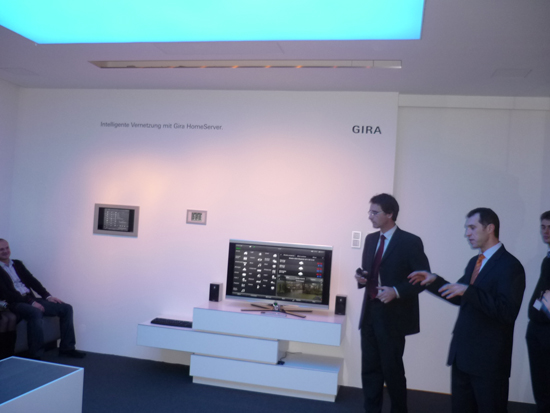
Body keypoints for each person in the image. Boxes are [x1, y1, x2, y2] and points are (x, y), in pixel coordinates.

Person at [408, 208, 525, 413]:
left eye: (472, 227)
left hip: (488, 362)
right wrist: (434, 281)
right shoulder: (475, 262)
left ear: (490, 228)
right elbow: (459, 296)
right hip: (462, 357)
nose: (467, 233)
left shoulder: (511, 266)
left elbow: (507, 312)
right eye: (467, 228)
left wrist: (468, 291)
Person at [356, 193, 430, 413]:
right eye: (370, 211)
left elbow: (423, 279)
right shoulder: (370, 240)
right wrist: (362, 278)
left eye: (374, 212)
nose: (370, 216)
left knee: (392, 370)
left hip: (394, 317)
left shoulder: (410, 242)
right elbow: (369, 272)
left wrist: (396, 292)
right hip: (370, 313)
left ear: (389, 214)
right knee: (370, 369)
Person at [0, 238, 86, 359]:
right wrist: (31, 302)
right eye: (1, 249)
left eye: (7, 248)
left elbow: (32, 281)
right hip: (15, 303)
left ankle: (67, 348)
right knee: (35, 312)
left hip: (29, 298)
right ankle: (36, 355)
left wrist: (47, 296)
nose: (5, 251)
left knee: (66, 308)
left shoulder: (17, 264)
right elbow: (7, 294)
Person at [526, 210, 550, 412]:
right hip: (537, 330)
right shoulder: (546, 259)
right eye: (543, 227)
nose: (546, 231)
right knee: (541, 387)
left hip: (546, 332)